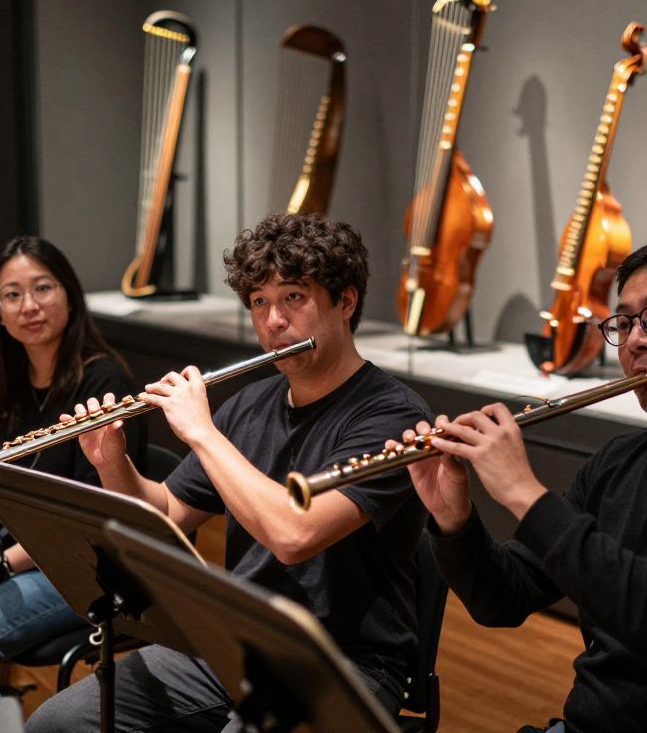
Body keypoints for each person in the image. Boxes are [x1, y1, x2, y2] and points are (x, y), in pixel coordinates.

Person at [25, 212, 432, 733]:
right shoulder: (250, 404)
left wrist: (202, 432)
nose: (273, 322)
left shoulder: (394, 417)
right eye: (259, 303)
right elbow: (169, 511)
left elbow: (294, 533)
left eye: (293, 297)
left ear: (346, 301)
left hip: (342, 661)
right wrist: (112, 461)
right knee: (57, 723)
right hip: (235, 641)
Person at [402, 237, 647, 732]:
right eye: (626, 321)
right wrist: (454, 517)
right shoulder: (617, 462)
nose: (634, 340)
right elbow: (501, 600)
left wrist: (524, 492)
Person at [0, 235, 147, 697]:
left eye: (43, 288)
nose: (29, 306)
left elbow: (93, 516)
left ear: (69, 295)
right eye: (13, 294)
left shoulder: (107, 382)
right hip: (8, 557)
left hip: (85, 568)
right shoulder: (3, 379)